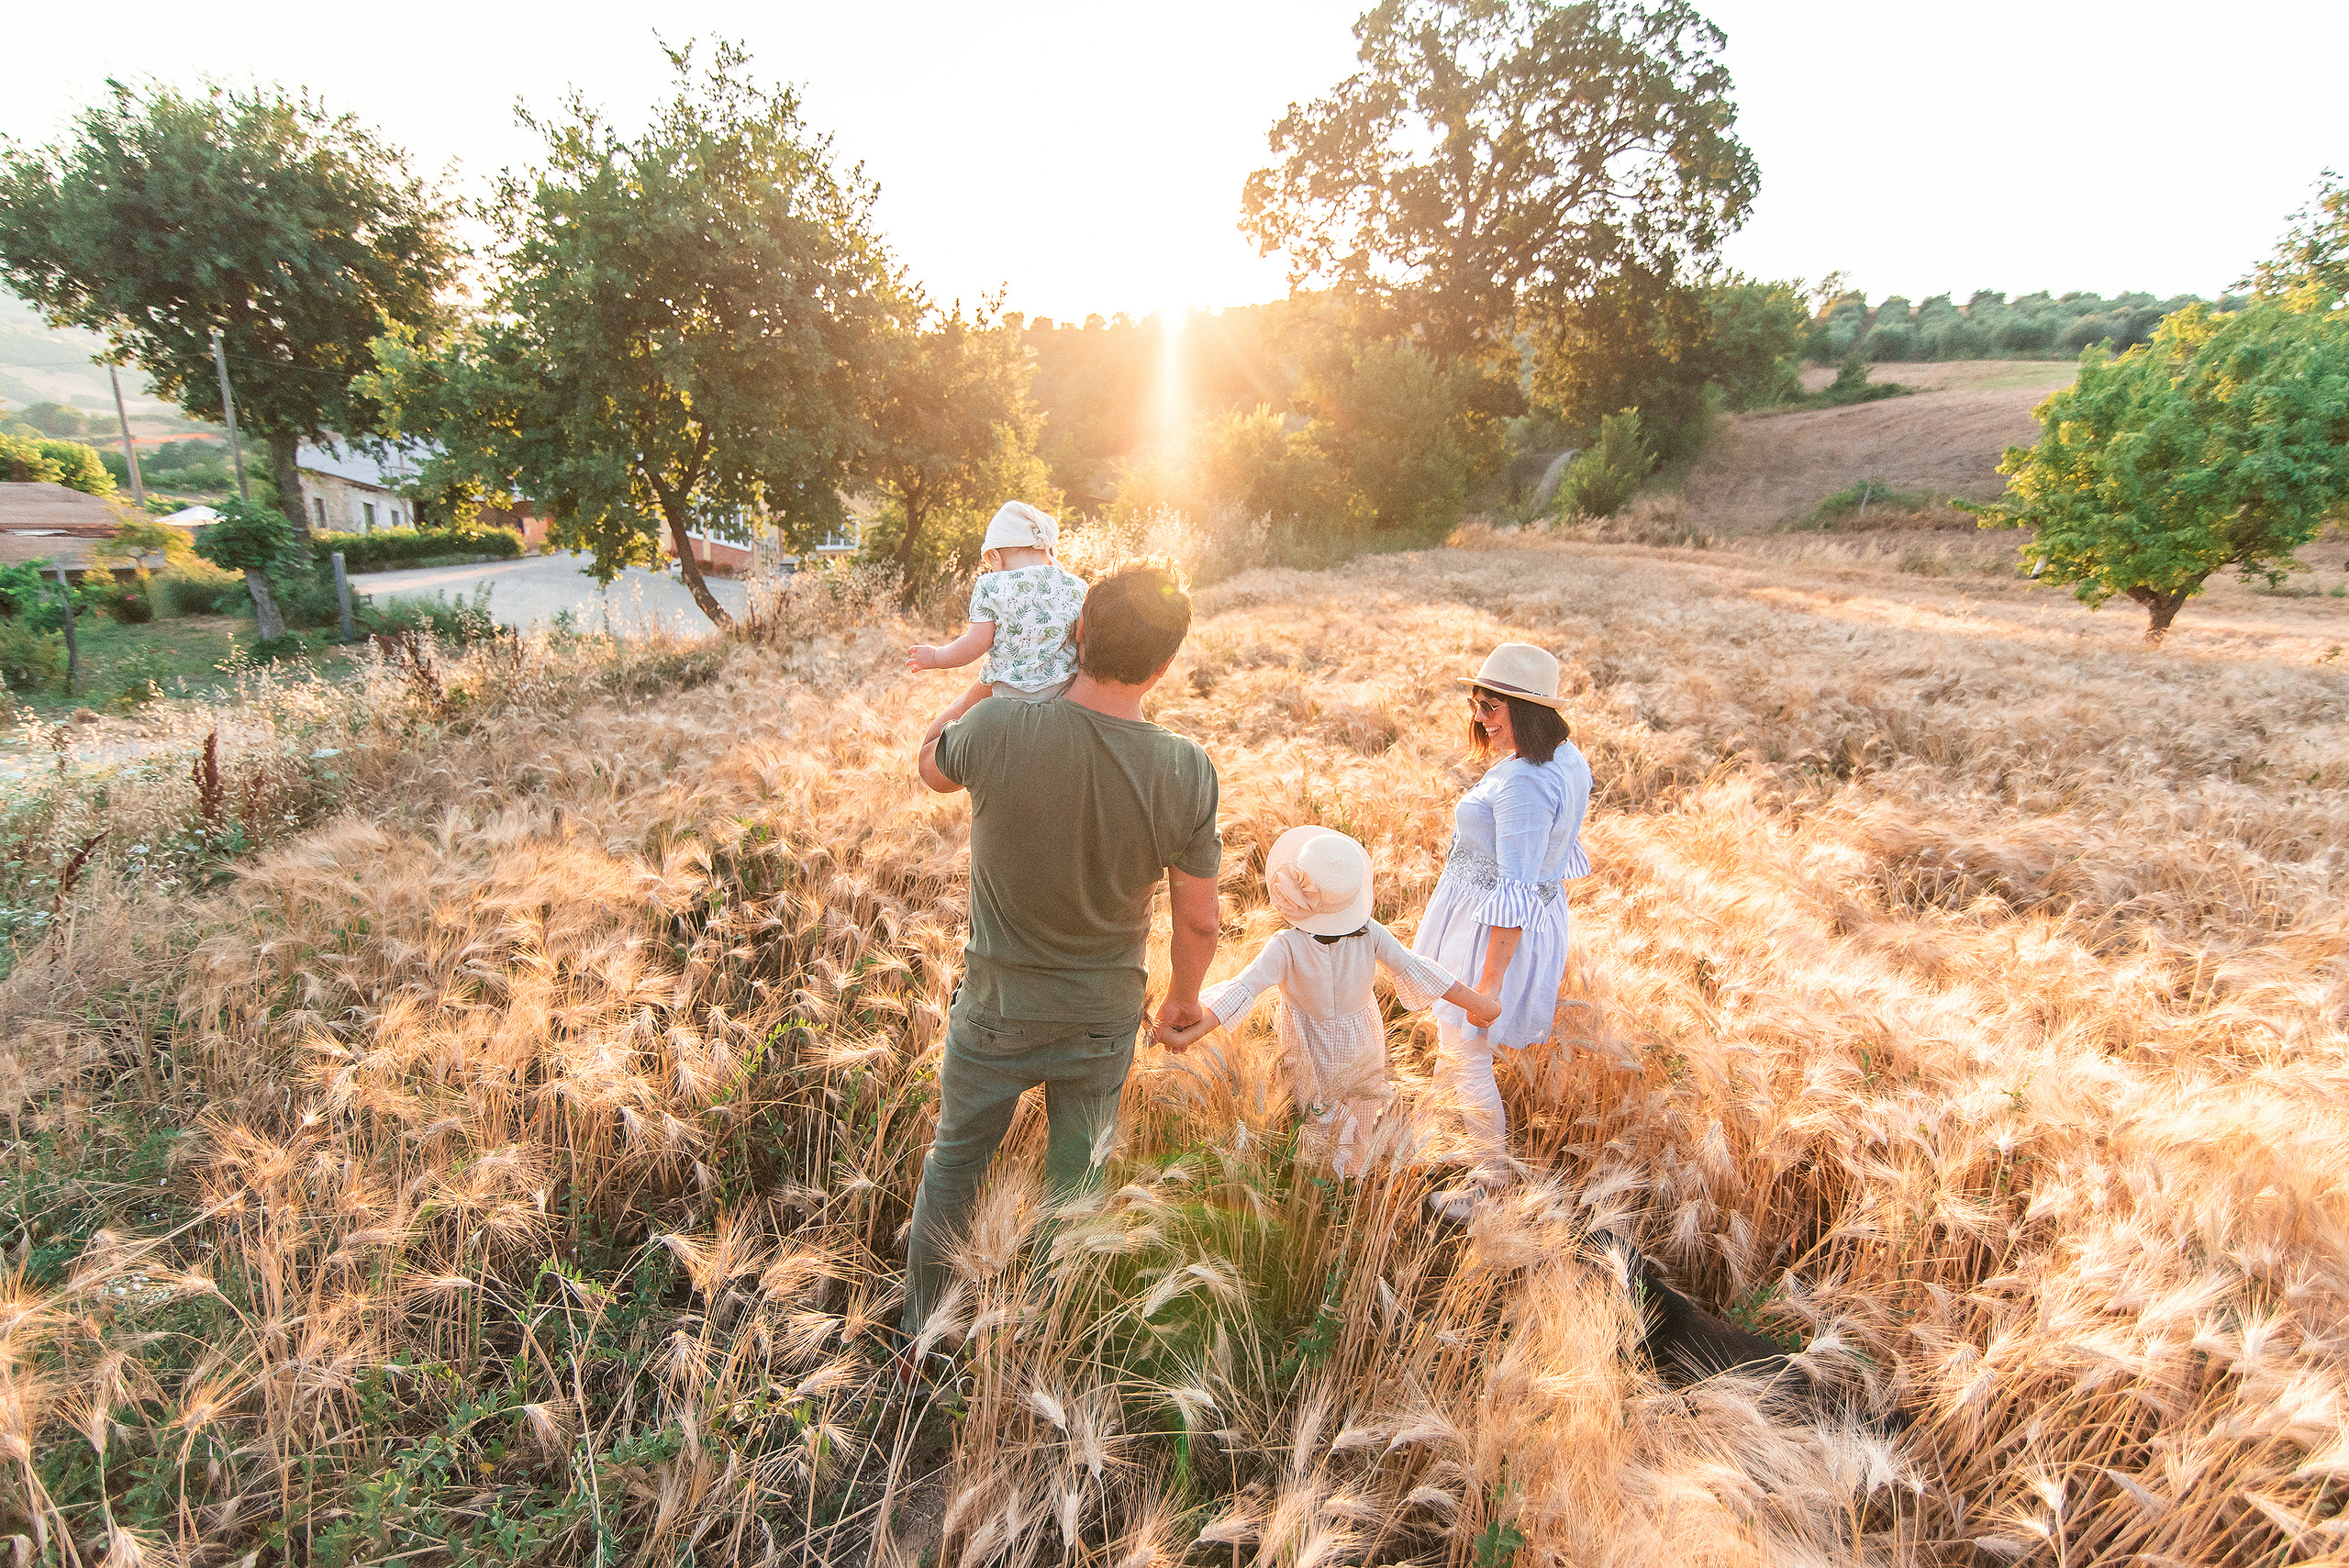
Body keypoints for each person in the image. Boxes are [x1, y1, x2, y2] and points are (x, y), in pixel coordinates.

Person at [900, 559, 1221, 1357]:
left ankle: (920, 1339)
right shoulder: (1185, 768)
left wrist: (980, 687)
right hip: (1101, 1020)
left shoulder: (1001, 728)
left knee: (955, 1165)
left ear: (1078, 631)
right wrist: (1183, 1000)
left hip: (996, 1011)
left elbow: (929, 765)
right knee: (1076, 1185)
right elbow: (1200, 922)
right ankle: (1046, 1343)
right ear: (1165, 664)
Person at [1155, 826, 1500, 1177]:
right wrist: (1479, 1003)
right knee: (1362, 1122)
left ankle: (1327, 1190)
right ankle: (1355, 1187)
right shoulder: (1370, 932)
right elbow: (1420, 971)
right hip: (1363, 1043)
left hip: (1310, 1049)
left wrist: (1189, 1032)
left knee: (1318, 1124)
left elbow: (1241, 990)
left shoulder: (1286, 946)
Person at [1412, 642, 1593, 1220]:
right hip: (1506, 919)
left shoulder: (1523, 783)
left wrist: (1487, 990)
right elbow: (1553, 857)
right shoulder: (1565, 758)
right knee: (1455, 1044)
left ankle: (1488, 1184)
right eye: (1477, 701)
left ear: (1528, 709)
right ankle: (1434, 1135)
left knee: (1467, 1048)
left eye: (1491, 705)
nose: (1479, 716)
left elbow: (1515, 887)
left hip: (1492, 933)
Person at [906, 501, 1087, 730]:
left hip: (1008, 699)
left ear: (995, 556)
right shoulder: (1076, 585)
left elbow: (976, 643)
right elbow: (1083, 640)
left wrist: (936, 657)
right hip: (1063, 695)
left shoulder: (991, 585)